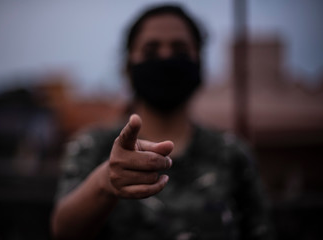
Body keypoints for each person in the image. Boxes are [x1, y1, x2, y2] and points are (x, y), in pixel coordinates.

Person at [51, 4, 273, 240]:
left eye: (179, 50)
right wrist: (105, 182)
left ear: (199, 62)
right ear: (128, 66)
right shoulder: (92, 146)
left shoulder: (233, 154)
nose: (166, 58)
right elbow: (63, 231)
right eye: (150, 50)